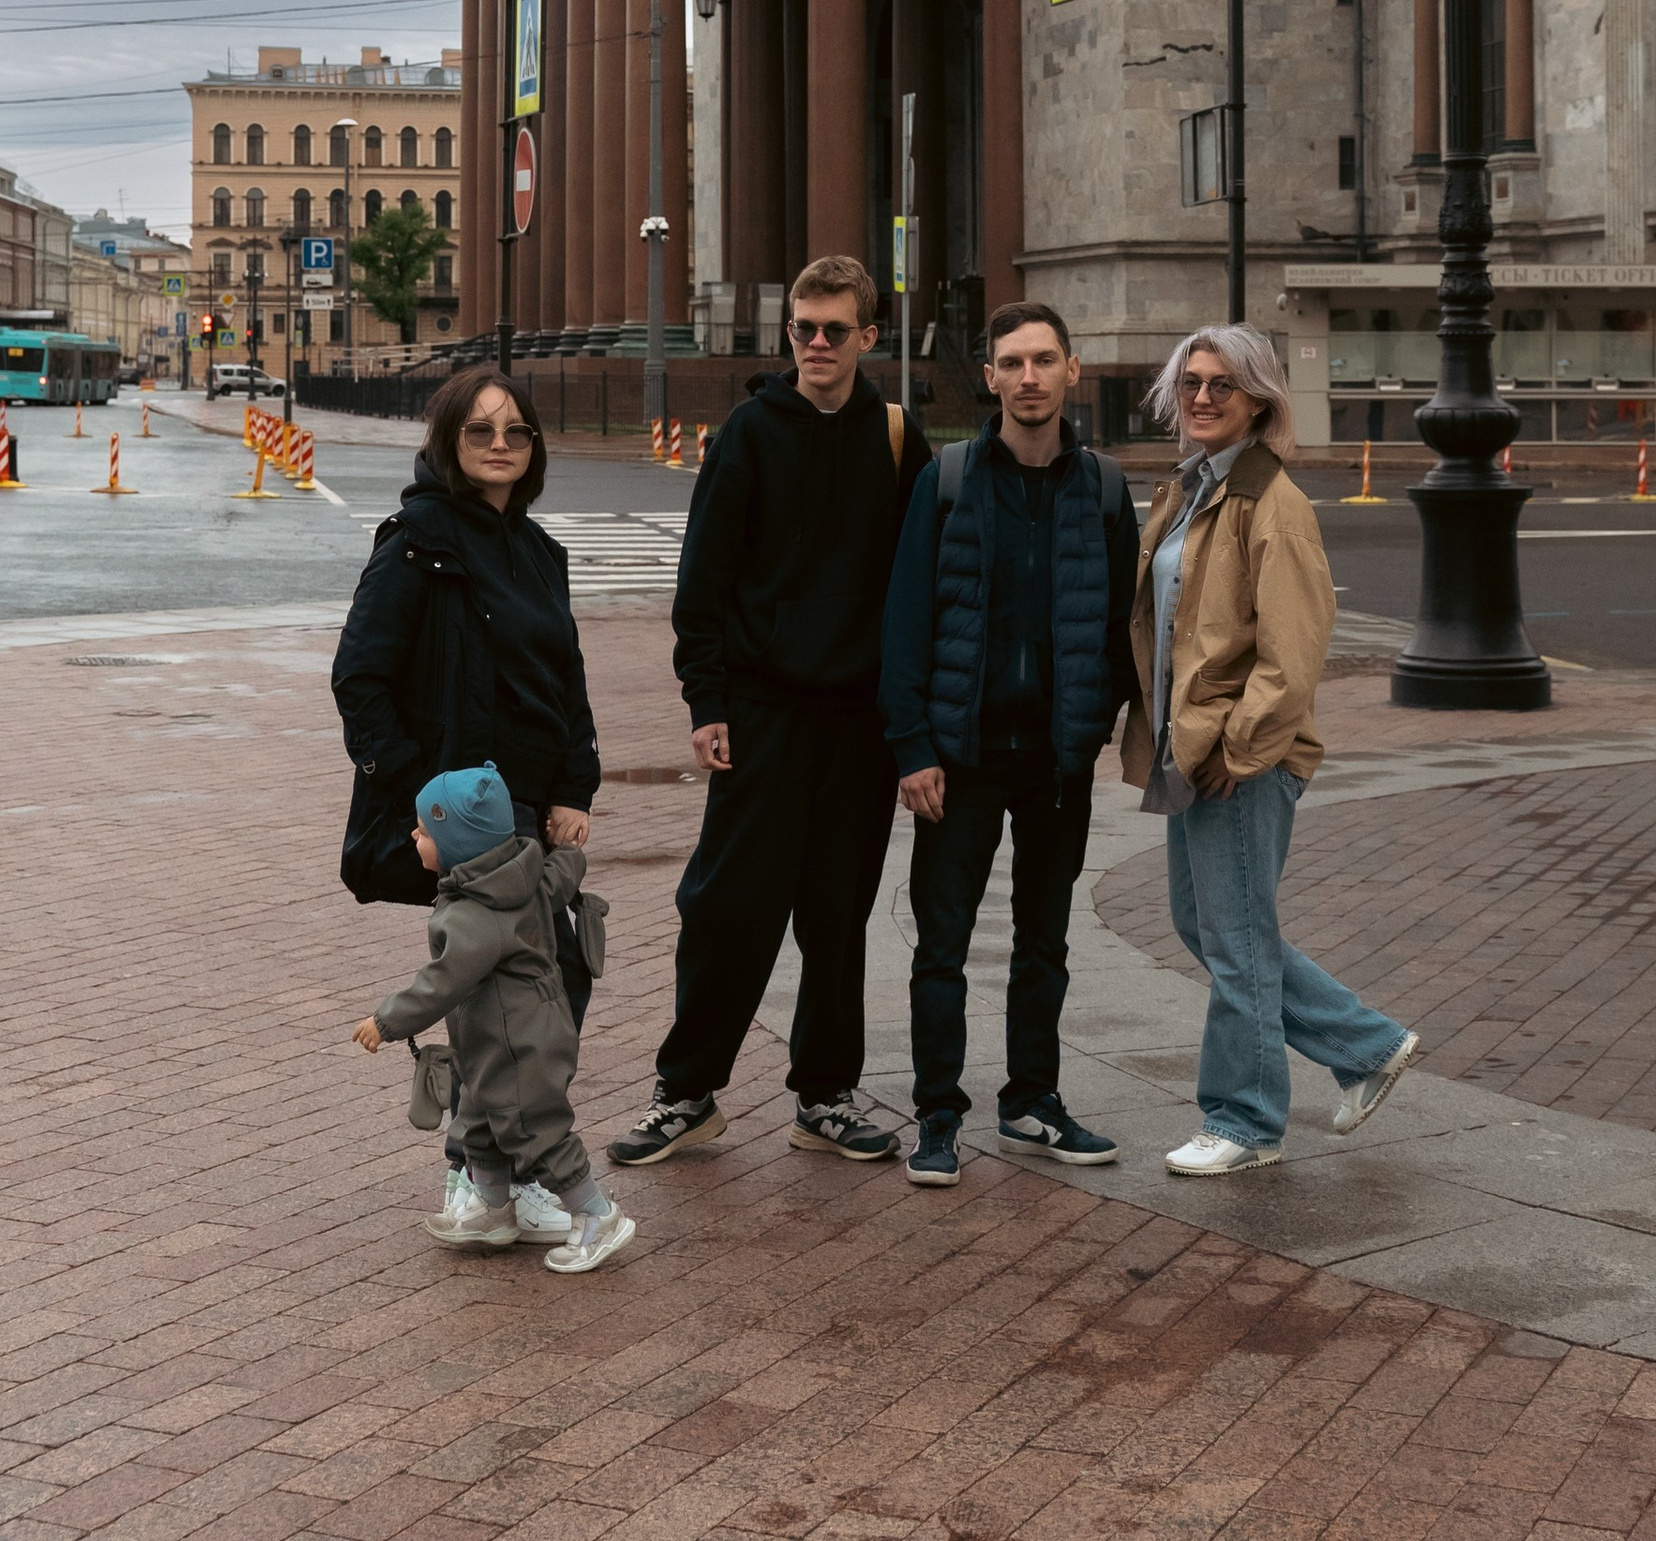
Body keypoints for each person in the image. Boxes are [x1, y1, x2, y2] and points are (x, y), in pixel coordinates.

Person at [605, 253, 931, 1171]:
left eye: (834, 330)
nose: (816, 345)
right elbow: (701, 578)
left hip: (859, 724)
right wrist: (705, 700)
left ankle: (823, 1094)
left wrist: (909, 725)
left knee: (837, 915)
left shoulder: (899, 440)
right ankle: (688, 1093)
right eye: (802, 328)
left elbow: (918, 591)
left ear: (870, 337)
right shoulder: (748, 432)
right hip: (760, 714)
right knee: (727, 907)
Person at [1124, 325, 1418, 1176]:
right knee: (1208, 925)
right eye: (1192, 382)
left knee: (1237, 941)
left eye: (1224, 384)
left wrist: (1240, 751)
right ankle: (1367, 1045)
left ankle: (1245, 1122)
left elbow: (1292, 656)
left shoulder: (1270, 502)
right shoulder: (1191, 487)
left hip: (1238, 759)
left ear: (1260, 399)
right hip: (1195, 748)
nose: (1204, 397)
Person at [331, 368, 601, 1237]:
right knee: (516, 992)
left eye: (516, 432)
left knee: (546, 987)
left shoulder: (537, 550)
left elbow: (563, 676)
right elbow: (360, 677)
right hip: (476, 818)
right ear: (447, 441)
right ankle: (478, 1176)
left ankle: (495, 1173)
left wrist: (573, 786)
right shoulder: (416, 542)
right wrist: (424, 797)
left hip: (531, 807)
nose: (499, 445)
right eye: (481, 431)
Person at [880, 302, 1139, 1189]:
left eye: (1043, 361)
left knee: (1045, 944)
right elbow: (906, 620)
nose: (1028, 377)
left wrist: (1096, 726)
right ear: (989, 378)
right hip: (961, 757)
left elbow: (1118, 631)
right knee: (941, 947)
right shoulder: (948, 480)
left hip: (1056, 764)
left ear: (1073, 371)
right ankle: (938, 1115)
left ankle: (1033, 1099)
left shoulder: (1102, 488)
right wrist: (912, 747)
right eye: (1011, 363)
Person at [350, 762, 633, 1274]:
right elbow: (563, 872)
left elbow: (441, 982)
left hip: (520, 1043)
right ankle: (492, 1210)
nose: (414, 834)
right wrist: (570, 848)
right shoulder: (522, 876)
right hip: (497, 1039)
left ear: (458, 844)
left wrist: (387, 1021)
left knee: (535, 1129)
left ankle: (597, 1216)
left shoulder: (474, 917)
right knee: (477, 1119)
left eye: (425, 830)